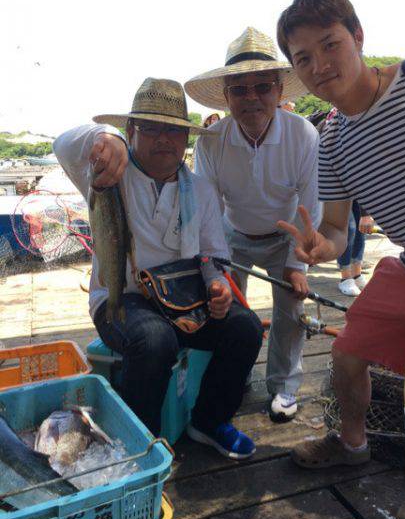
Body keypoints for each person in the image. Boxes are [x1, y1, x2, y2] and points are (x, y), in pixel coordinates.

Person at [276, 0, 405, 519]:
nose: (320, 65)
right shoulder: (331, 141)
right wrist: (317, 248)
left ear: (358, 37)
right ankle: (351, 446)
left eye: (330, 45)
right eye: (303, 58)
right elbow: (334, 227)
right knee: (348, 354)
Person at [53, 78, 263, 460]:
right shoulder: (105, 174)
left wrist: (218, 286)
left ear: (185, 139)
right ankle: (139, 446)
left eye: (173, 130)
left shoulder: (200, 190)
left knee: (246, 326)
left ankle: (210, 421)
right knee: (154, 340)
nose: (162, 139)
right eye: (149, 127)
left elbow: (213, 256)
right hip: (123, 298)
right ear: (131, 131)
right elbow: (63, 143)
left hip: (185, 300)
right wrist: (106, 136)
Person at [185, 27, 321, 422]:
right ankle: (236, 372)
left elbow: (311, 203)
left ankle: (284, 387)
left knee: (291, 313)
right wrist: (212, 269)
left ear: (280, 92)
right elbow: (207, 212)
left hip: (286, 237)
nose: (252, 98)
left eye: (262, 87)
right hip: (231, 235)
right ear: (226, 96)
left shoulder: (304, 135)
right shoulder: (210, 141)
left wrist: (299, 265)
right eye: (240, 90)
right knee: (224, 309)